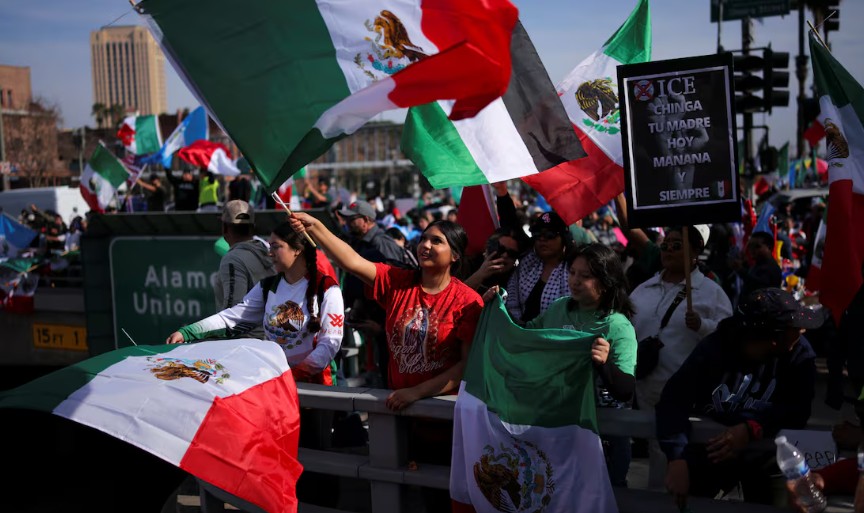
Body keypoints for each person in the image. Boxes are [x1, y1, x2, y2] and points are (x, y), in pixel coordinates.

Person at [658, 287, 821, 508]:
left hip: (769, 459)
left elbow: (797, 410)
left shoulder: (799, 354)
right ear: (773, 337)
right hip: (712, 455)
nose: (802, 330)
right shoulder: (714, 349)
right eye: (794, 326)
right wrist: (676, 459)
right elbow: (673, 400)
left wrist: (752, 427)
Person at [509, 243, 637, 487]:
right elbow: (525, 337)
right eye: (572, 273)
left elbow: (625, 389)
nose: (575, 281)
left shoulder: (618, 326)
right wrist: (494, 310)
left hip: (602, 438)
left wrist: (604, 364)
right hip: (558, 431)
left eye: (585, 276)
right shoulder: (559, 307)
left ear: (607, 282)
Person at [166, 221, 344, 385]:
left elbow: (329, 345)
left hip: (317, 387)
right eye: (269, 246)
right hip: (279, 384)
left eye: (276, 246)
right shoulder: (268, 286)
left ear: (297, 249)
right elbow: (231, 319)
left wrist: (293, 374)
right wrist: (188, 332)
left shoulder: (327, 289)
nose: (270, 252)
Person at [629, 225, 733, 489]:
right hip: (646, 390)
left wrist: (702, 325)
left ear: (695, 252)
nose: (668, 251)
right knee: (656, 455)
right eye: (665, 245)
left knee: (683, 459)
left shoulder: (711, 292)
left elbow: (730, 337)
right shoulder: (643, 290)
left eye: (676, 245)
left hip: (687, 398)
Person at [337, 200, 412, 386]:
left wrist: (382, 325)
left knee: (388, 374)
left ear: (366, 220)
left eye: (351, 219)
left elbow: (396, 285)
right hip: (370, 317)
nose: (346, 222)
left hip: (385, 321)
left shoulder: (381, 244)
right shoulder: (358, 242)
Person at [505, 211, 572, 324]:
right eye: (537, 234)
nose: (542, 239)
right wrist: (518, 326)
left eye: (549, 235)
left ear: (564, 238)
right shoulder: (527, 263)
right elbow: (512, 300)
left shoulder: (573, 270)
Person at [213, 200, 275, 316]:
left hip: (247, 334)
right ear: (253, 227)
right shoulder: (268, 251)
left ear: (225, 228)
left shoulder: (232, 259)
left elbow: (231, 314)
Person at [464, 228, 522, 296]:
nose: (505, 255)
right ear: (489, 246)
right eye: (501, 249)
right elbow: (455, 296)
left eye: (512, 253)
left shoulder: (516, 279)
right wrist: (480, 274)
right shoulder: (467, 266)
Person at [741, 231, 783, 298]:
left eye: (757, 246)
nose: (752, 250)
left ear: (769, 247)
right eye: (750, 246)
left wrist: (740, 270)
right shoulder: (759, 263)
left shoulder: (771, 268)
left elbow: (757, 284)